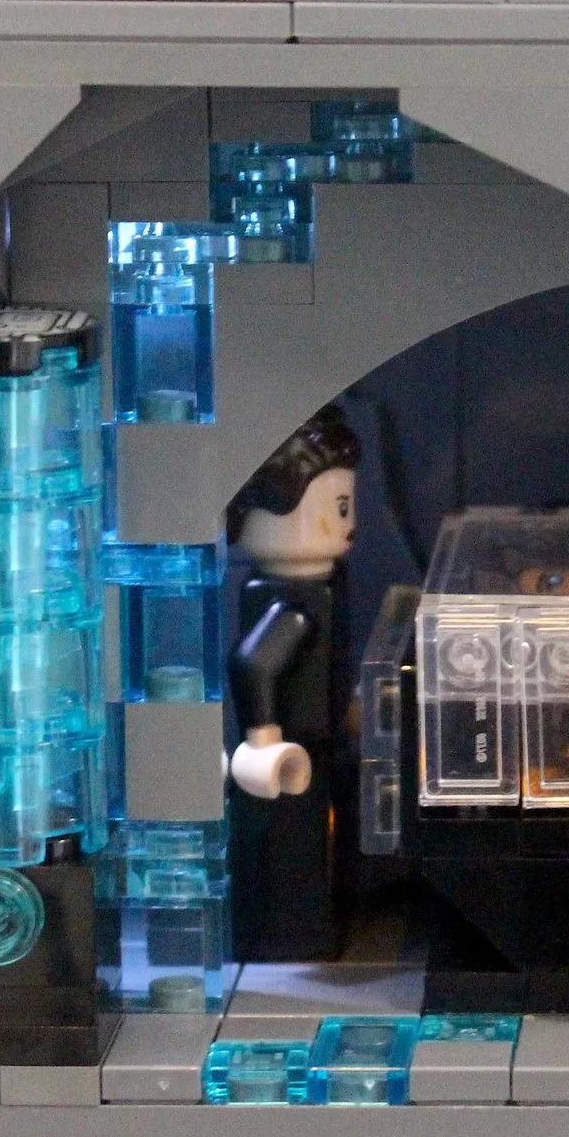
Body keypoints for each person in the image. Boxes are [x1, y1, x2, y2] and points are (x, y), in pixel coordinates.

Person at [223, 407, 360, 961]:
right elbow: (254, 664)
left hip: (317, 740)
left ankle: (310, 925)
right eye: (339, 506)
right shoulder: (290, 604)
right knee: (294, 851)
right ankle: (290, 934)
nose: (350, 522)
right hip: (291, 759)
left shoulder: (322, 590)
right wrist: (263, 740)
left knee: (323, 842)